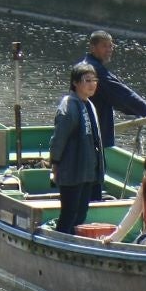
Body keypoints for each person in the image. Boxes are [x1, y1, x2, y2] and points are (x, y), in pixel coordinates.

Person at [49, 62, 107, 235]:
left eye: (94, 80)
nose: (92, 84)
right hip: (72, 170)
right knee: (69, 213)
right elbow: (59, 139)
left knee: (81, 213)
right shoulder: (69, 106)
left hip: (87, 171)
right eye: (87, 80)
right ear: (75, 82)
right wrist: (55, 164)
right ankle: (59, 244)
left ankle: (71, 242)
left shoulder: (88, 104)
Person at [78, 30, 146, 145]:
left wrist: (139, 113)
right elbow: (121, 94)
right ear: (92, 48)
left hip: (82, 129)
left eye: (111, 46)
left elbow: (115, 94)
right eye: (104, 46)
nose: (109, 50)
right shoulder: (95, 70)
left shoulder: (82, 66)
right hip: (92, 136)